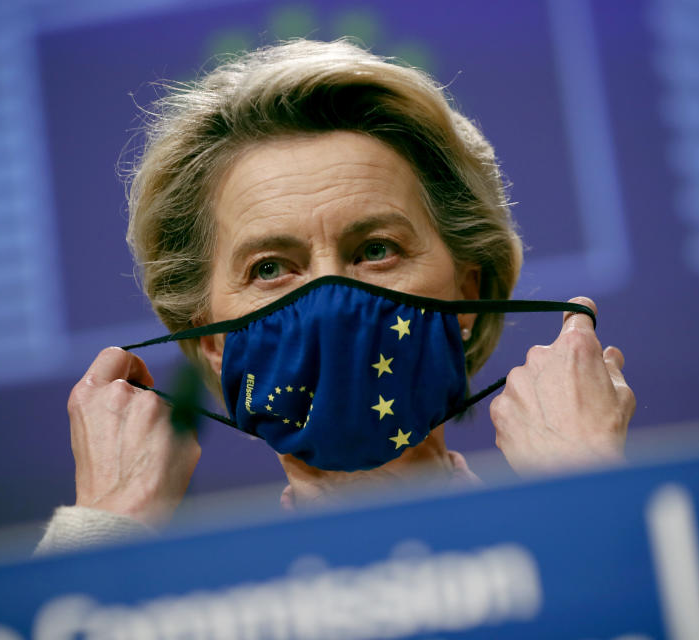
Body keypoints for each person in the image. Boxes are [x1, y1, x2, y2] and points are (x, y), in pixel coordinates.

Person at [36, 39, 634, 553]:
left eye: (376, 249)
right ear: (213, 338)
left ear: (468, 294)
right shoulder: (180, 616)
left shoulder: (577, 528)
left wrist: (586, 493)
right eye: (270, 267)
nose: (331, 301)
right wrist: (110, 522)